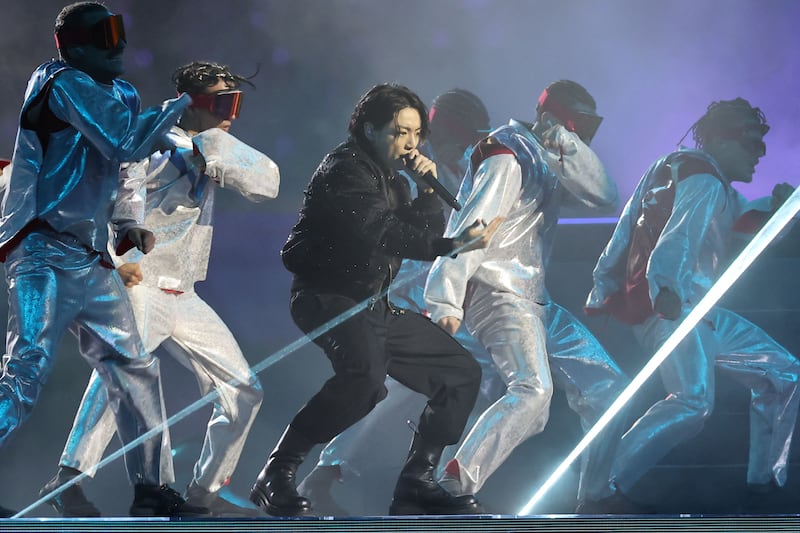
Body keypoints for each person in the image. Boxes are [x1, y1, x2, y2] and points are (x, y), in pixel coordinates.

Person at [38, 61, 279, 517]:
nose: (231, 112)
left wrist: (214, 152)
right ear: (193, 101)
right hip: (139, 282)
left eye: (236, 103)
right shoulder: (145, 140)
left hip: (183, 292)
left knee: (245, 389)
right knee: (130, 380)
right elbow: (109, 198)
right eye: (222, 102)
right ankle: (81, 478)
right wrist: (120, 259)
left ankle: (203, 494)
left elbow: (268, 182)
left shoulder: (213, 143)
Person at [249, 83, 502, 517]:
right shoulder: (345, 170)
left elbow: (413, 233)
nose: (409, 144)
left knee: (459, 372)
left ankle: (416, 482)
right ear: (368, 127)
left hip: (373, 304)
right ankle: (276, 473)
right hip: (327, 299)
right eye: (398, 132)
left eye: (416, 133)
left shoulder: (395, 181)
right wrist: (454, 243)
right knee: (365, 379)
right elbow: (381, 232)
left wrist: (427, 193)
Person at [0, 1, 204, 517]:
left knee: (134, 365)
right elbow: (123, 140)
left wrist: (128, 234)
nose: (119, 45)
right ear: (73, 44)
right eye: (104, 34)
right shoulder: (58, 81)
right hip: (42, 250)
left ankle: (152, 489)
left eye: (118, 32)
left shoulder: (121, 93)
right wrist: (184, 102)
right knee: (25, 374)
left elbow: (126, 170)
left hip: (90, 259)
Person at [584, 97, 800, 513]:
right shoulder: (706, 182)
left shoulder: (676, 169)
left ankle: (764, 483)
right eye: (751, 143)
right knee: (692, 401)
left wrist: (601, 289)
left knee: (784, 374)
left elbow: (628, 227)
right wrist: (665, 289)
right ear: (721, 140)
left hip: (699, 311)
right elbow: (676, 240)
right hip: (677, 309)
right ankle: (604, 486)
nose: (760, 154)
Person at [423, 80, 629, 511]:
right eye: (582, 124)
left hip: (534, 298)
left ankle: (595, 494)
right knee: (533, 393)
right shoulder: (507, 152)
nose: (587, 135)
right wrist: (444, 298)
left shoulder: (546, 156)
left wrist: (567, 147)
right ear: (557, 116)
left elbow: (605, 196)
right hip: (495, 292)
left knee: (608, 388)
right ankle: (446, 489)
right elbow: (472, 227)